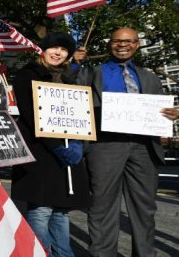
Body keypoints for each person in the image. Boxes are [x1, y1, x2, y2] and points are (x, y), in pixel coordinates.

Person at [74, 28, 179, 256]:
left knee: (145, 208)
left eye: (129, 41)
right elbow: (68, 87)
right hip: (105, 146)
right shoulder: (91, 73)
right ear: (110, 44)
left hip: (144, 147)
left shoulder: (149, 77)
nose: (123, 45)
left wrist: (171, 114)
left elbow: (160, 109)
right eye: (117, 41)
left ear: (137, 44)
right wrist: (74, 63)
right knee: (102, 206)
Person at [11, 32, 90, 256]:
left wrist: (77, 142)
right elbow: (30, 115)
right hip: (40, 151)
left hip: (65, 151)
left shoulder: (70, 78)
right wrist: (56, 147)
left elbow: (79, 114)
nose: (58, 53)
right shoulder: (27, 74)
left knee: (60, 212)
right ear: (44, 50)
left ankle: (64, 254)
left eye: (64, 50)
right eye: (54, 48)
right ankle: (42, 252)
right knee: (40, 210)